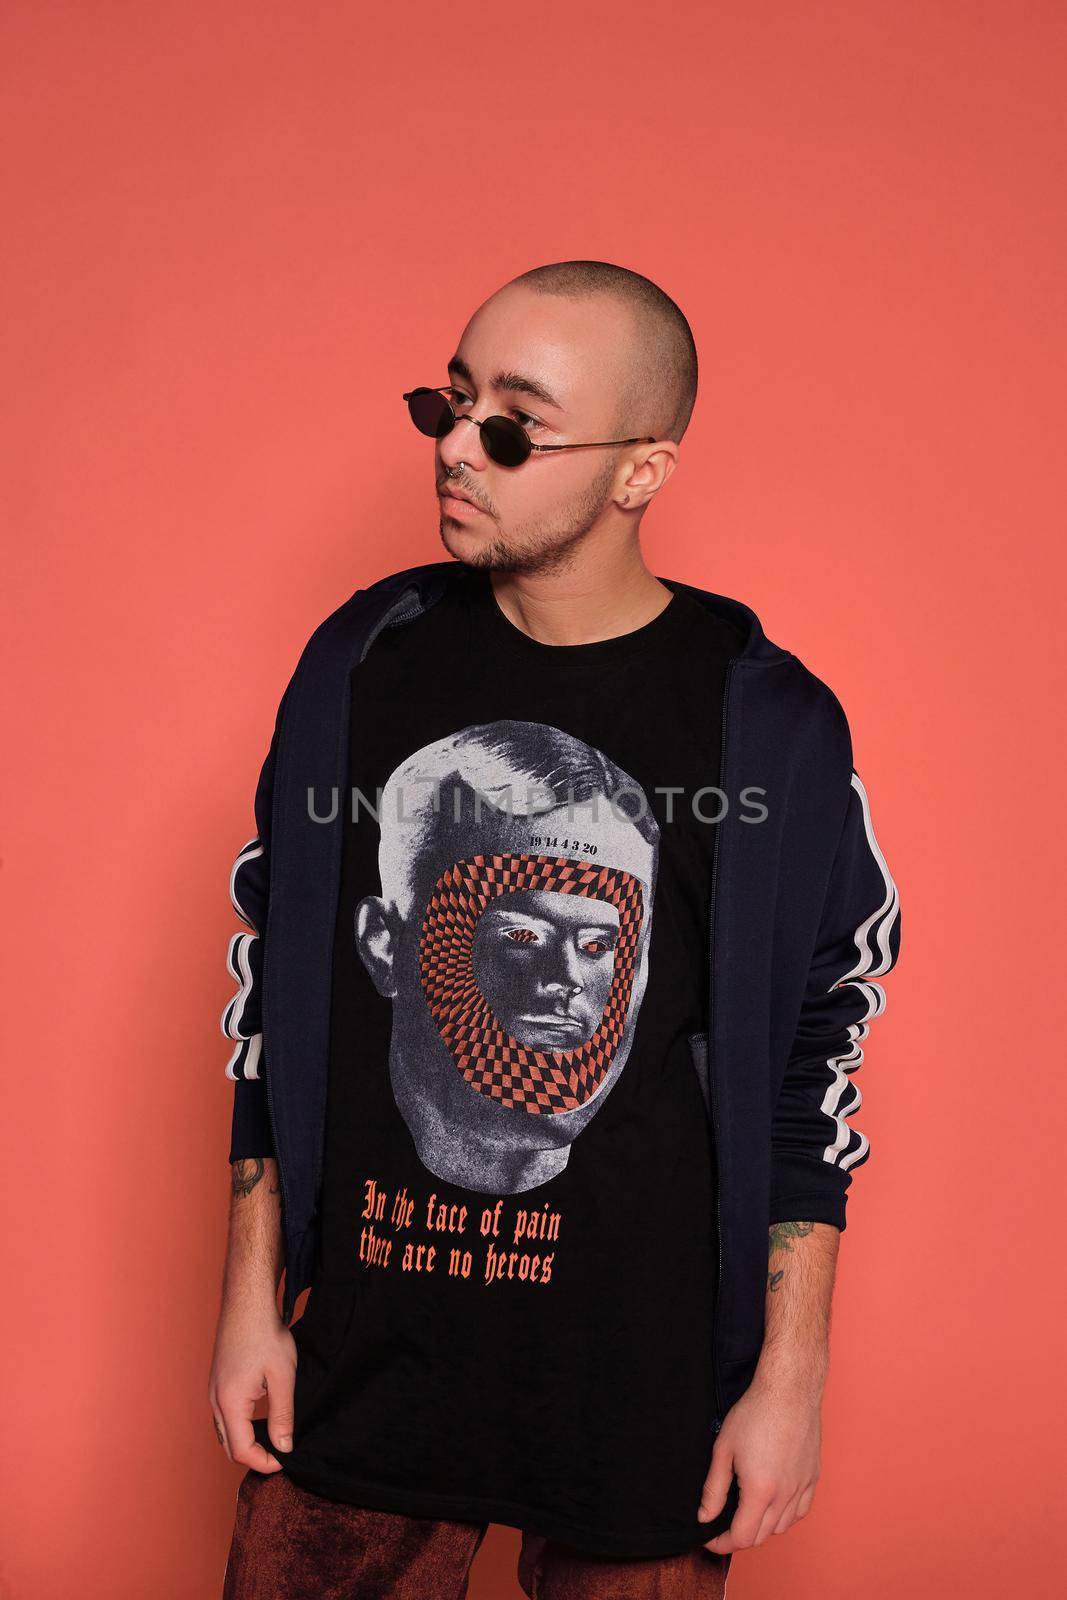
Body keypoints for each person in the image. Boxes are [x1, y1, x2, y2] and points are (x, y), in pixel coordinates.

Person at [209, 260, 902, 1599]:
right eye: (450, 404)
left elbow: (820, 1053)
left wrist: (790, 1374)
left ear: (643, 469)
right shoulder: (359, 668)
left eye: (513, 426)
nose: (459, 450)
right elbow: (269, 989)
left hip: (642, 1396)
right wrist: (251, 1296)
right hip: (363, 1368)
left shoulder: (768, 723)